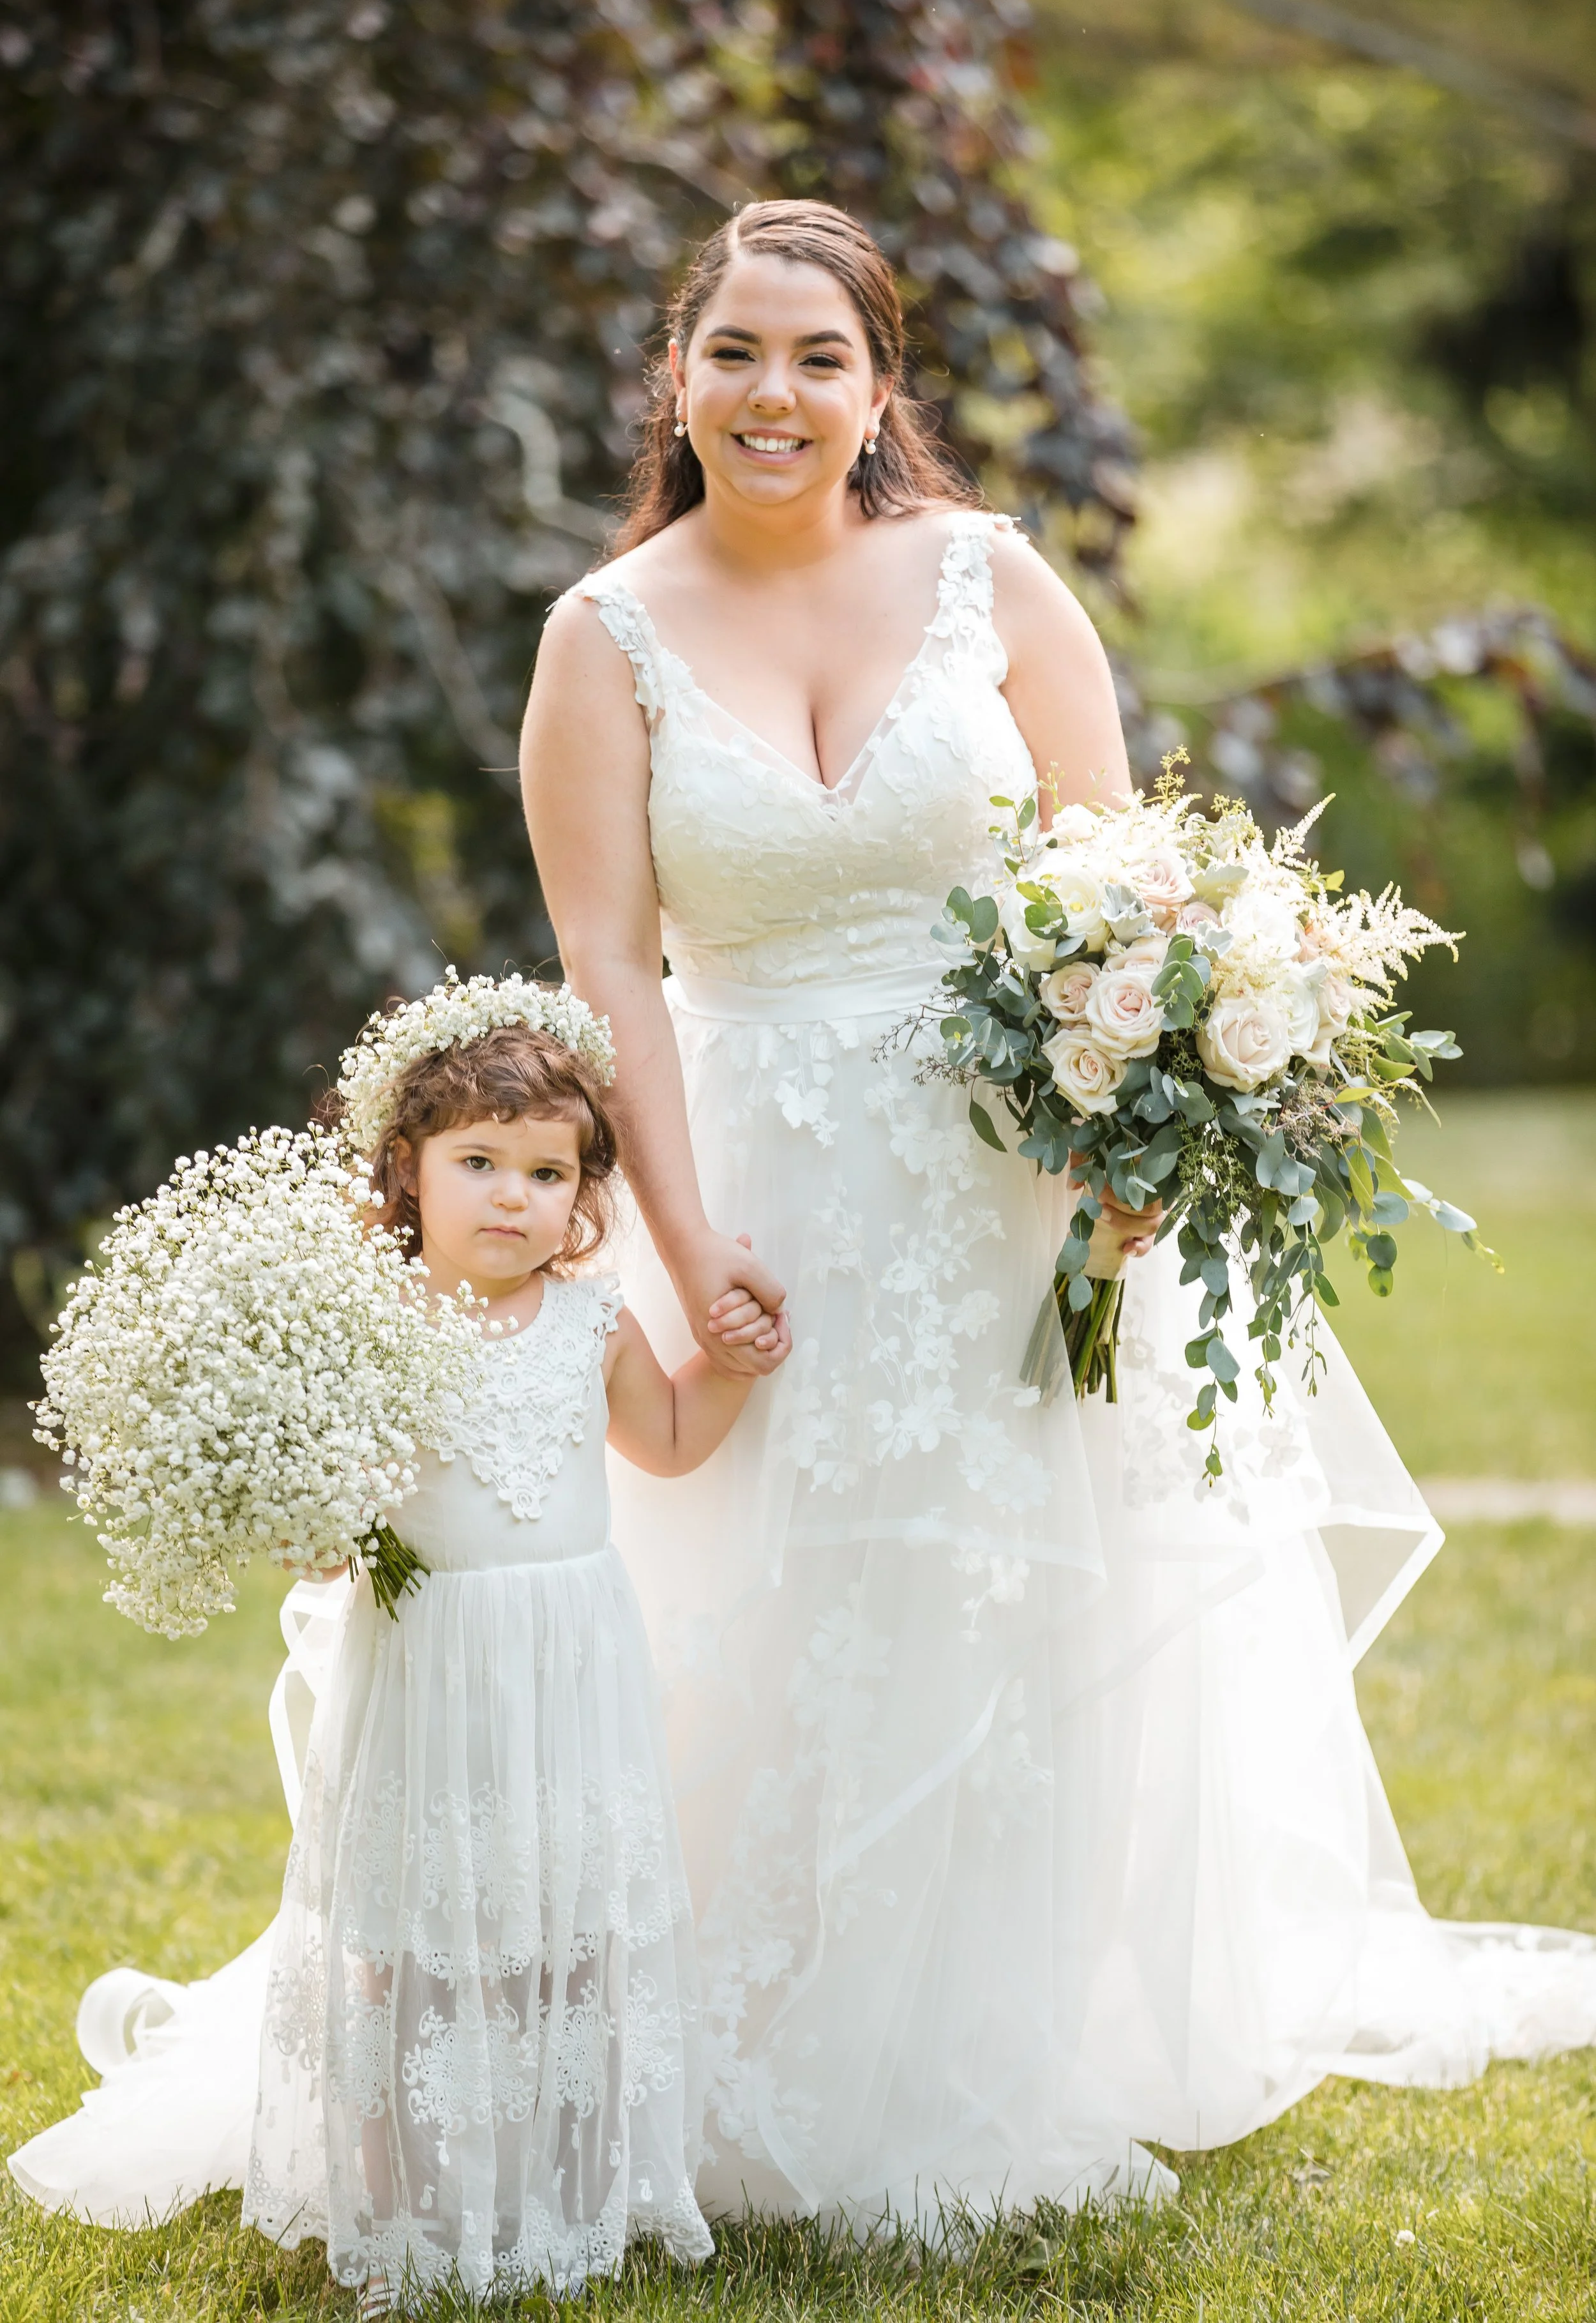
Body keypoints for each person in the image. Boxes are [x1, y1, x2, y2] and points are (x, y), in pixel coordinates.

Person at [521, 197, 1596, 2227]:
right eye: (733, 350)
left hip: (1017, 1182)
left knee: (1020, 1586)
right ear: (674, 377)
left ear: (876, 388)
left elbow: (1132, 900)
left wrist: (1140, 1146)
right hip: (750, 1181)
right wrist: (675, 1239)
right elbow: (609, 980)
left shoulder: (988, 583)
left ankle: (1007, 2031)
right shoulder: (605, 636)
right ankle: (745, 2029)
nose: (772, 391)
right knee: (753, 1601)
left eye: (816, 356)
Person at [11, 981, 789, 2315]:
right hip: (432, 1669)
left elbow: (663, 1442)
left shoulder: (591, 1327)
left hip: (568, 1662)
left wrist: (729, 1362)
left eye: (546, 1172)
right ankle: (404, 2200)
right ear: (406, 1173)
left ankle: (566, 2174)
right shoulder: (367, 1334)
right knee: (418, 1935)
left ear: (582, 1197)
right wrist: (295, 1496)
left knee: (567, 1924)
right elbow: (329, 1521)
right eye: (478, 1163)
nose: (513, 1197)